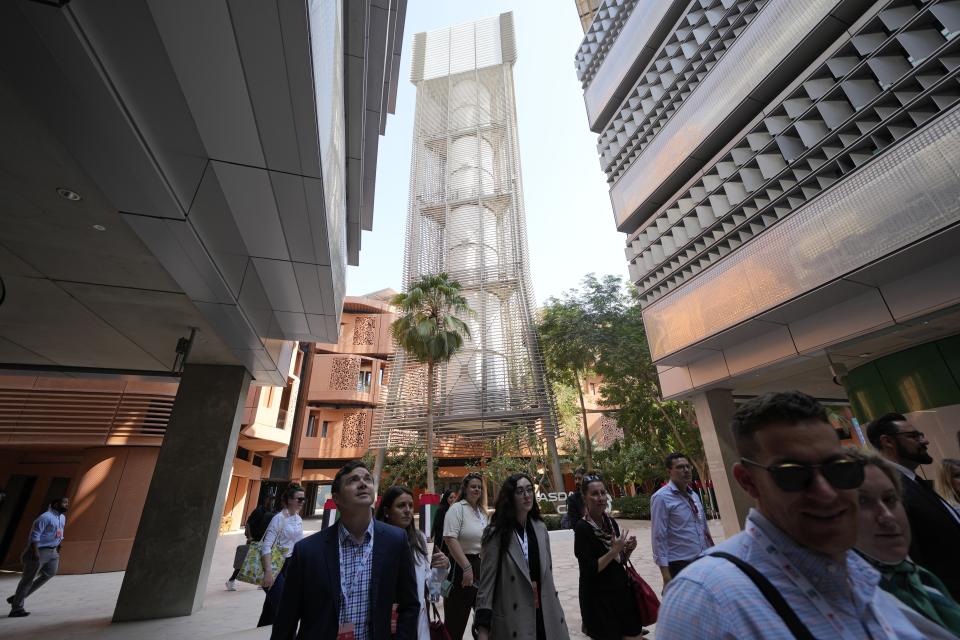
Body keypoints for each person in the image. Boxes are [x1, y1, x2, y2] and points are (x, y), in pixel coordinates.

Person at [656, 390, 925, 639]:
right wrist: (666, 573)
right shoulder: (705, 599)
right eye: (793, 473)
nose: (826, 492)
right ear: (748, 481)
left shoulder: (867, 574)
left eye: (839, 467)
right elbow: (659, 535)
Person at [272, 461, 419, 640]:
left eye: (367, 479)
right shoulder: (307, 551)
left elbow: (409, 605)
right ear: (337, 498)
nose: (363, 483)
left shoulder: (395, 541)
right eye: (353, 480)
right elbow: (286, 618)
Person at [848, 447, 960, 638]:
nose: (887, 516)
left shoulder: (920, 579)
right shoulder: (854, 602)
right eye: (863, 502)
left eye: (890, 499)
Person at [867, 413, 960, 599]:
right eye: (914, 436)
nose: (924, 441)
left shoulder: (913, 481)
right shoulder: (891, 489)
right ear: (887, 442)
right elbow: (913, 559)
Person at [474, 473, 570, 640]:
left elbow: (548, 573)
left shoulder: (540, 529)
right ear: (510, 497)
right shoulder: (495, 534)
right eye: (520, 491)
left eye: (529, 490)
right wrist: (483, 627)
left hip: (544, 612)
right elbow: (486, 585)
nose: (527, 496)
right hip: (514, 618)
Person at [574, 473, 643, 640]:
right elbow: (589, 569)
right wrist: (613, 551)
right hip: (598, 600)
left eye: (603, 493)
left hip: (620, 593)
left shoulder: (610, 523)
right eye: (595, 494)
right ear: (585, 498)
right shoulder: (583, 528)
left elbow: (619, 561)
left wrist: (627, 550)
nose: (600, 498)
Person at [376, 486, 450, 639]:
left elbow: (433, 594)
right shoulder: (375, 543)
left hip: (419, 625)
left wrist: (440, 570)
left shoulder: (419, 539)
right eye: (401, 505)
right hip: (386, 626)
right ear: (386, 511)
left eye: (410, 505)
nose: (408, 510)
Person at [651, 452, 714, 587]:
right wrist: (666, 576)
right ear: (669, 471)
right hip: (680, 564)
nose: (686, 470)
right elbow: (658, 537)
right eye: (680, 467)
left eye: (688, 466)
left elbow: (703, 528)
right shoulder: (661, 498)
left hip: (702, 559)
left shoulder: (694, 495)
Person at [7, 497, 69, 618]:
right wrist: (35, 553)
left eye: (68, 503)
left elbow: (59, 531)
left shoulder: (62, 517)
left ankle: (17, 598)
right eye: (64, 502)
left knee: (50, 573)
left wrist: (59, 544)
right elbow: (34, 536)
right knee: (27, 579)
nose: (67, 505)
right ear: (55, 504)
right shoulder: (45, 517)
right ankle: (16, 609)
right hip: (39, 551)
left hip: (53, 551)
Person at [442, 472, 487, 640]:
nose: (477, 489)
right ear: (465, 489)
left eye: (479, 487)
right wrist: (466, 567)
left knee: (485, 618)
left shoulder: (481, 511)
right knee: (456, 621)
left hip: (481, 567)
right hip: (462, 568)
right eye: (473, 486)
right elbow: (449, 538)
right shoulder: (457, 508)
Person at [257, 483, 305, 627]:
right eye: (299, 499)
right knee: (284, 607)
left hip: (289, 566)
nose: (302, 502)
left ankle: (262, 631)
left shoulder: (298, 519)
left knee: (270, 611)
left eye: (304, 499)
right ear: (289, 500)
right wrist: (268, 572)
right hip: (273, 566)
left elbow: (298, 546)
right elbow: (266, 546)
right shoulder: (279, 518)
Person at [226, 495, 276, 591]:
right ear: (265, 500)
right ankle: (231, 581)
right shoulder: (258, 511)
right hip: (254, 539)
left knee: (262, 560)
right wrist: (249, 537)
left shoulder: (268, 511)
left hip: (262, 540)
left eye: (272, 501)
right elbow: (248, 523)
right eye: (270, 500)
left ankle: (262, 582)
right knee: (244, 561)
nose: (271, 503)